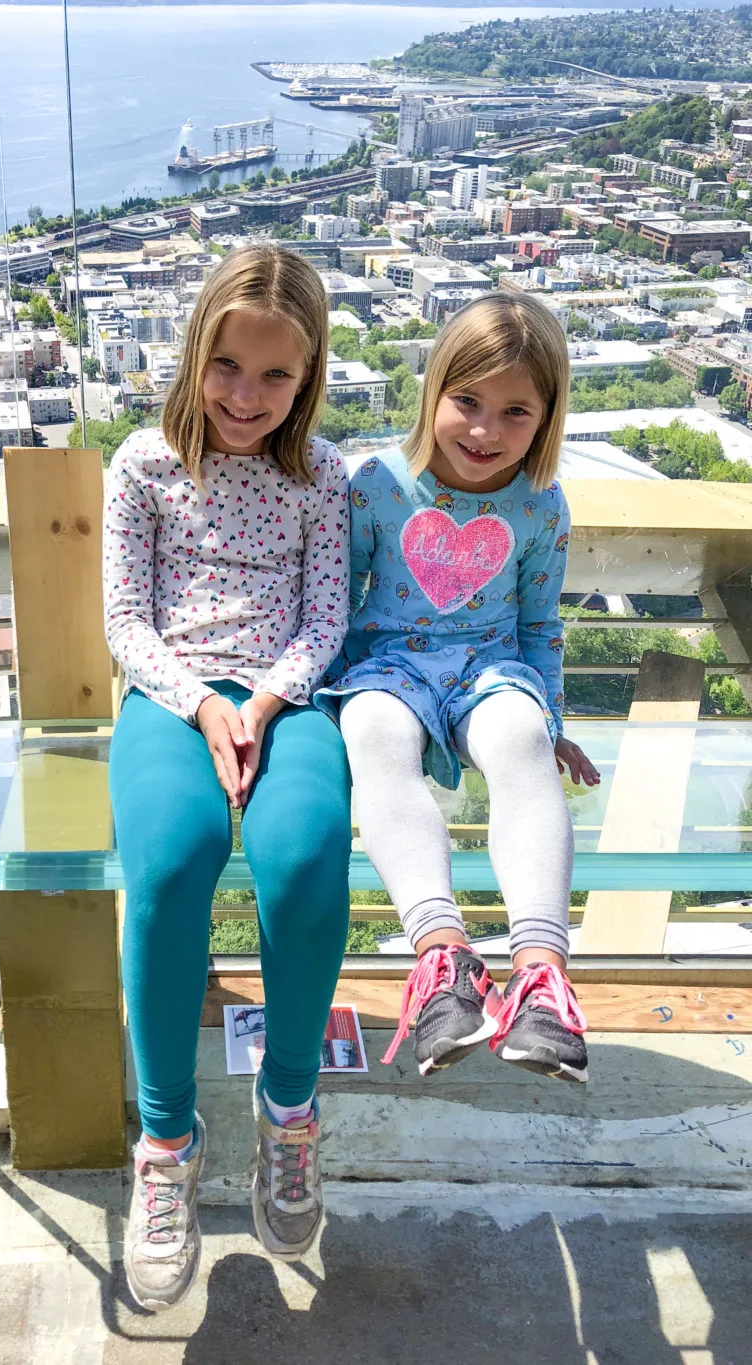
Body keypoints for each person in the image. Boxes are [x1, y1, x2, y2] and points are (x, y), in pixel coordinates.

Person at [103, 245, 351, 1311]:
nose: (246, 398)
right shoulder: (141, 466)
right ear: (195, 352)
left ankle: (287, 1114)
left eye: (275, 377)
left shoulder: (321, 477)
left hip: (287, 697)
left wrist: (259, 704)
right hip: (170, 695)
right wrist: (204, 703)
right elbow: (125, 620)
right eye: (228, 367)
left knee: (301, 861)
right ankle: (164, 1143)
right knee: (170, 862)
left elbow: (326, 617)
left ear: (309, 379)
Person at [317, 292, 600, 1088]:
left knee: (520, 742)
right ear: (433, 391)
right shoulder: (375, 484)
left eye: (516, 412)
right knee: (373, 732)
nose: (485, 431)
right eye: (467, 402)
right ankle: (441, 957)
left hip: (490, 668)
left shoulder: (540, 506)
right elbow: (335, 607)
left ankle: (542, 976)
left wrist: (551, 717)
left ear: (547, 419)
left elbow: (541, 624)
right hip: (387, 666)